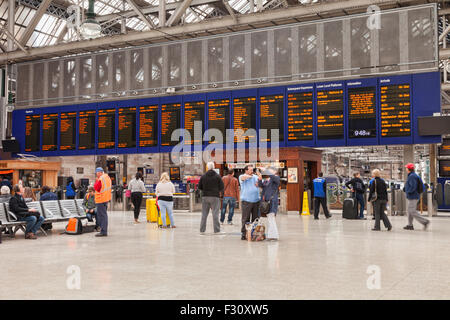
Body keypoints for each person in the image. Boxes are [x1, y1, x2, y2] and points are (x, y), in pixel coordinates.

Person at [198, 162, 224, 235]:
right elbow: (222, 187)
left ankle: (202, 230)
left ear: (207, 167)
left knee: (204, 214)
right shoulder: (217, 176)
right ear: (214, 167)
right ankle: (217, 230)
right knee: (215, 214)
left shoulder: (203, 176)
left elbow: (199, 187)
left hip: (205, 196)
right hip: (215, 196)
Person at [403, 163, 430, 230]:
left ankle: (425, 221)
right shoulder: (413, 175)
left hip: (413, 196)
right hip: (412, 196)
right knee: (409, 211)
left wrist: (408, 191)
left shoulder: (412, 176)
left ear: (408, 169)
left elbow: (413, 186)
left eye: (406, 168)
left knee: (412, 211)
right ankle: (410, 225)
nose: (406, 169)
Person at [257, 167, 281, 241]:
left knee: (271, 218)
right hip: (266, 202)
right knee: (270, 218)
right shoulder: (269, 180)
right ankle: (272, 235)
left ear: (275, 171)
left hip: (272, 201)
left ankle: (273, 236)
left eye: (270, 170)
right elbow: (261, 186)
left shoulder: (276, 178)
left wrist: (265, 170)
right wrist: (260, 178)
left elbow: (272, 176)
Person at [239, 165, 261, 240]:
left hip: (256, 201)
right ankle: (244, 234)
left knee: (255, 218)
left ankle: (254, 233)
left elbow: (260, 182)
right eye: (250, 170)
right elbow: (243, 178)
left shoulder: (255, 176)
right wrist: (251, 176)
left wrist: (259, 179)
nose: (252, 171)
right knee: (246, 218)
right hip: (246, 201)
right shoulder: (242, 176)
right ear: (246, 171)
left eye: (252, 170)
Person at [94, 167, 112, 237]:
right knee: (104, 215)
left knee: (102, 216)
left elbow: (96, 188)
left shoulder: (101, 178)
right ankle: (104, 230)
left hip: (100, 199)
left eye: (97, 173)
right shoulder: (108, 178)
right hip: (106, 198)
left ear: (100, 172)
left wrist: (97, 181)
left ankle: (103, 231)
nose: (96, 175)